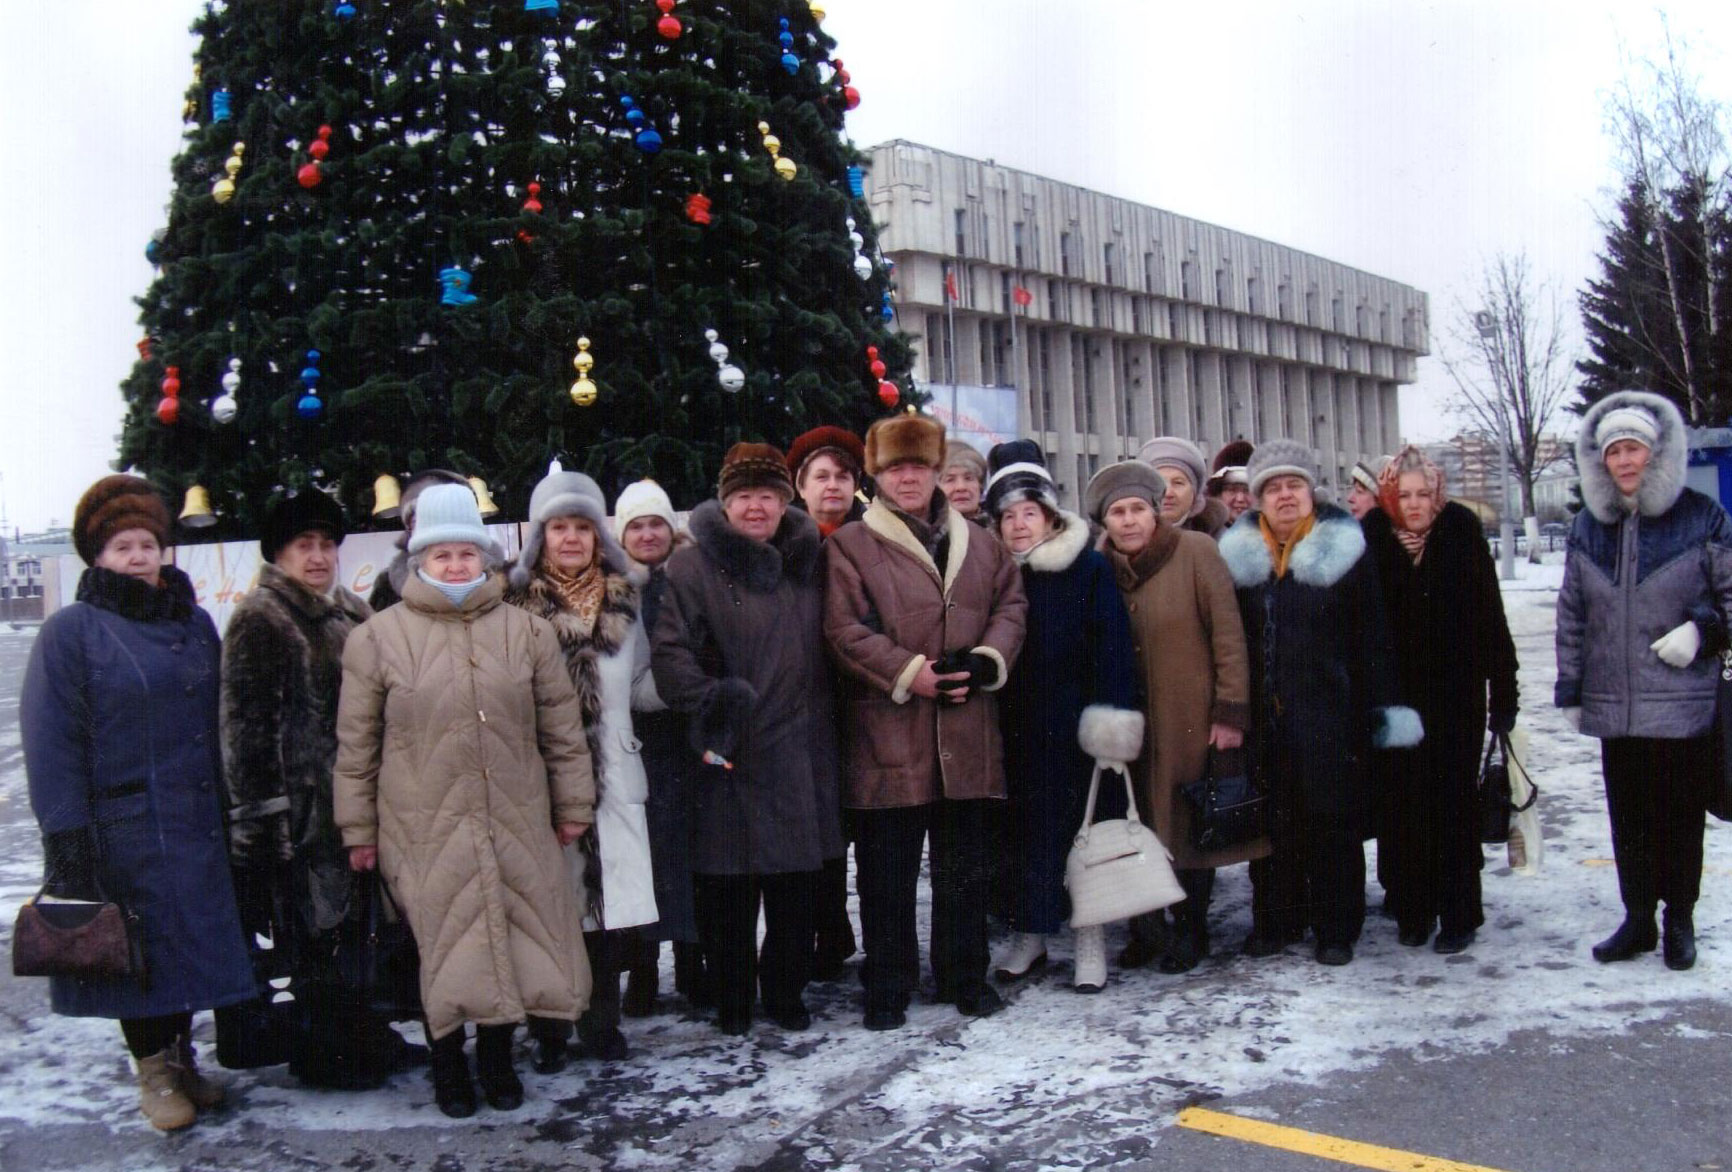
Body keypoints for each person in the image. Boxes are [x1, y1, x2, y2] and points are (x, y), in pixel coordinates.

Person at [334, 483, 595, 1118]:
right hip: (421, 826)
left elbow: (561, 732)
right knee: (446, 947)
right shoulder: (377, 639)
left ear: (487, 559)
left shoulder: (527, 633)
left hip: (516, 817)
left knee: (512, 939)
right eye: (440, 555)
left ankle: (499, 1060)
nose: (455, 566)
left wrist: (572, 808)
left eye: (466, 554)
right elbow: (355, 747)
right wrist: (358, 831)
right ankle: (450, 1067)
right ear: (418, 562)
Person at [21, 475, 254, 1130]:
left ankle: (183, 1059)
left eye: (148, 543)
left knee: (187, 951)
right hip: (121, 829)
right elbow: (52, 742)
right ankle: (152, 1071)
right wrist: (68, 842)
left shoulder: (194, 621)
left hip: (197, 824)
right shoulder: (72, 632)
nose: (139, 555)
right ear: (97, 556)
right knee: (139, 958)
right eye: (123, 545)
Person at [825, 414, 1028, 1030]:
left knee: (962, 869)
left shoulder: (984, 542)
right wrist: (911, 671)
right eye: (894, 467)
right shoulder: (850, 546)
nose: (907, 477)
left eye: (917, 466)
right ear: (877, 475)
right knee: (886, 874)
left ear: (937, 470)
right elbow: (843, 629)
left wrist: (987, 660)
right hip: (889, 731)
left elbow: (1011, 606)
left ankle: (964, 974)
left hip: (967, 729)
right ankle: (888, 982)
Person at [220, 491, 424, 1089]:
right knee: (315, 935)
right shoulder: (261, 617)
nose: (318, 556)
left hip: (359, 806)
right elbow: (245, 734)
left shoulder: (352, 611)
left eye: (326, 544)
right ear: (279, 554)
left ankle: (363, 1034)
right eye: (303, 545)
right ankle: (325, 1051)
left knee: (358, 929)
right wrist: (259, 830)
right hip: (303, 820)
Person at [651, 444, 844, 1035]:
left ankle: (785, 991)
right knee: (727, 887)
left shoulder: (811, 560)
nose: (754, 507)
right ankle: (732, 996)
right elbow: (670, 651)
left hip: (799, 748)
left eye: (767, 495)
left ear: (785, 501)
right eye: (742, 495)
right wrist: (714, 704)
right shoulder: (689, 568)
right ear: (723, 501)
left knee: (794, 886)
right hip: (727, 750)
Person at [1217, 441, 1422, 966]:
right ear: (1259, 497)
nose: (1285, 495)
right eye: (1273, 487)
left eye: (1294, 485)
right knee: (1273, 825)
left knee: (1333, 824)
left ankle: (1336, 928)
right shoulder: (1235, 559)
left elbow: (1373, 638)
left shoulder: (1344, 552)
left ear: (1312, 492)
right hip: (1266, 720)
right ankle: (1278, 920)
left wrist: (1382, 712)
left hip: (1333, 717)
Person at [1556, 392, 1732, 971]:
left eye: (1634, 448)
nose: (1625, 461)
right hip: (1616, 708)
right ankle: (1638, 920)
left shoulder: (1700, 516)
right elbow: (1573, 615)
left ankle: (1679, 919)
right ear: (1601, 462)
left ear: (1655, 453)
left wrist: (1701, 633)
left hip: (1682, 705)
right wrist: (1571, 689)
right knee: (1628, 816)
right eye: (1614, 451)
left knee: (1679, 817)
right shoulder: (1588, 526)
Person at [507, 470, 663, 1068]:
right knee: (552, 908)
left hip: (618, 776)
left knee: (606, 914)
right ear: (539, 537)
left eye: (582, 527)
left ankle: (602, 1022)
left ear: (599, 537)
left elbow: (643, 685)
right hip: (545, 781)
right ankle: (549, 1029)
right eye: (558, 527)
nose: (571, 539)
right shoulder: (514, 606)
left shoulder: (626, 598)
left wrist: (688, 684)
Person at [1084, 459, 1262, 974]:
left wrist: (1231, 712)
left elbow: (1229, 637)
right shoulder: (1099, 566)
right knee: (1136, 823)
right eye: (1118, 512)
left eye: (1138, 508)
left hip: (1191, 716)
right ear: (1105, 521)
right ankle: (1145, 930)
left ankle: (1190, 928)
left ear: (1155, 512)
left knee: (1188, 823)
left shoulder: (1196, 552)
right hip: (1128, 726)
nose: (1129, 520)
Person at [983, 442, 1142, 993]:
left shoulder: (1087, 568)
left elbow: (1114, 648)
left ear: (1049, 516)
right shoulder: (995, 576)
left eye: (1029, 512)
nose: (1019, 524)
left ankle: (1091, 940)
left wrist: (1111, 724)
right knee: (1026, 839)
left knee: (1084, 834)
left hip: (1075, 731)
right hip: (1014, 733)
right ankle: (1031, 936)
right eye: (1007, 515)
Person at [1362, 447, 1519, 954]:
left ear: (1437, 494)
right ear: (1389, 496)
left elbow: (1491, 618)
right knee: (1403, 806)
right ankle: (1413, 909)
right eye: (1404, 495)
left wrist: (1505, 693)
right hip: (1395, 700)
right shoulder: (1373, 541)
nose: (1414, 504)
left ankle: (1459, 913)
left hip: (1457, 698)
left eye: (1423, 494)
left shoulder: (1462, 534)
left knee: (1452, 806)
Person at [612, 479, 703, 1015]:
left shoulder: (693, 579)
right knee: (643, 862)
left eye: (656, 524)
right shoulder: (615, 588)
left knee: (691, 858)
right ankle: (642, 970)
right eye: (637, 525)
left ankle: (694, 965)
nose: (648, 534)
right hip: (637, 742)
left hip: (689, 740)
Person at [785, 426, 868, 978]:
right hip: (808, 702)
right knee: (816, 820)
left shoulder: (870, 540)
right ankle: (826, 926)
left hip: (864, 700)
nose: (832, 485)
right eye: (821, 476)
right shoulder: (788, 545)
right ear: (800, 486)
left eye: (842, 476)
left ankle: (841, 927)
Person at [366, 469, 473, 611]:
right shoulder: (387, 591)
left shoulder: (499, 584)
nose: (428, 531)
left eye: (438, 518)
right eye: (418, 522)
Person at [1139, 436, 1229, 538]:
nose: (1168, 493)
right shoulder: (1125, 543)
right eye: (1159, 483)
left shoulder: (1223, 543)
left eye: (1178, 483)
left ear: (1195, 492)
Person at [939, 440, 991, 526]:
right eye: (950, 480)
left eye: (969, 478)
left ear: (980, 486)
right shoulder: (922, 534)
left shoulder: (1001, 533)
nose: (961, 487)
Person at [1207, 440, 1255, 524]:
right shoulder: (1202, 535)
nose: (1240, 499)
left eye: (1247, 490)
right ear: (1218, 495)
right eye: (1232, 490)